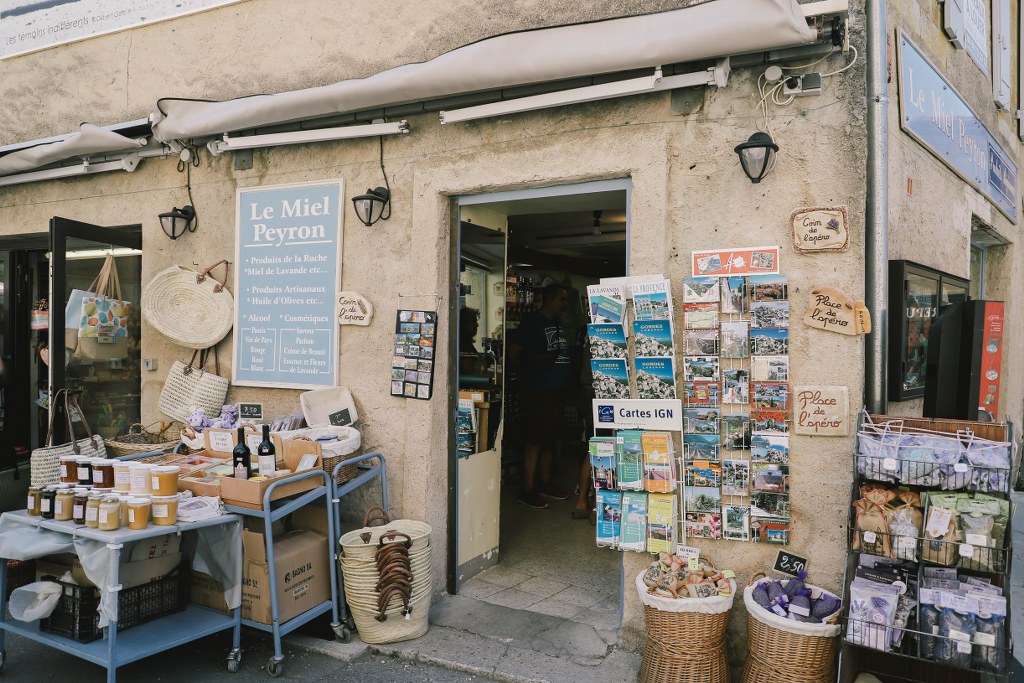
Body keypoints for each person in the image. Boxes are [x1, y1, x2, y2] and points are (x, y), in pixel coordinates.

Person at [507, 282, 572, 509]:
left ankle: (544, 482)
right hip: (538, 389)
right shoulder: (533, 323)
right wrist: (525, 376)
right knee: (535, 439)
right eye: (562, 299)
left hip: (556, 389)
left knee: (549, 439)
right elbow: (514, 351)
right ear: (550, 298)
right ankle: (528, 488)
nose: (565, 304)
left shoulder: (558, 323)